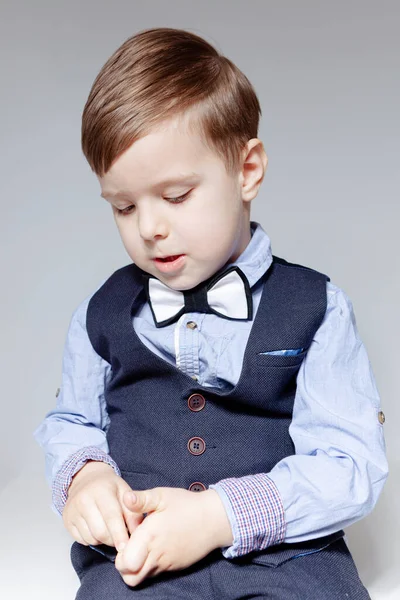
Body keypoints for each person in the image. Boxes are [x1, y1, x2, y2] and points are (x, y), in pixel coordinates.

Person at [33, 27, 388, 599]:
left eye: (175, 196)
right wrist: (85, 476)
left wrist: (219, 517)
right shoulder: (100, 315)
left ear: (247, 171)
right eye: (124, 206)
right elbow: (72, 421)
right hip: (141, 561)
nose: (150, 227)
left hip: (289, 559)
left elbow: (349, 463)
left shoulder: (317, 307)